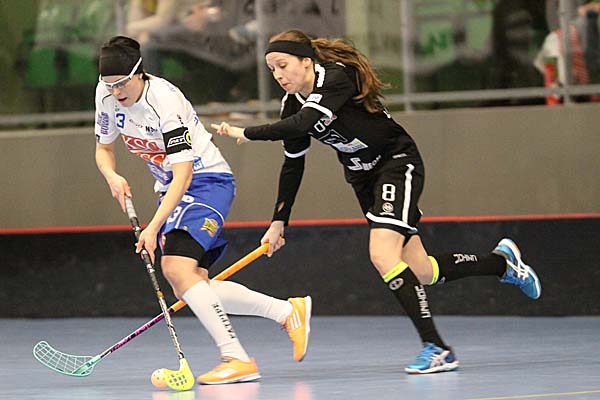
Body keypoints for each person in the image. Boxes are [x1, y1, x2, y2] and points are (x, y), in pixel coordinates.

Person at [213, 29, 542, 374]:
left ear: (306, 61)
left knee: (382, 254)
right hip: (364, 180)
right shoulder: (292, 104)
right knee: (422, 271)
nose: (278, 75)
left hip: (395, 163)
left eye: (283, 65)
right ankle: (502, 264)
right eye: (272, 70)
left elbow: (305, 123)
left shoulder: (336, 77)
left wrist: (246, 132)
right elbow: (293, 164)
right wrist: (279, 220)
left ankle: (437, 348)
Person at [94, 35, 311, 385]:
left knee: (176, 268)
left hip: (206, 181)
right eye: (109, 84)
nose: (116, 92)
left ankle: (237, 358)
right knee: (189, 285)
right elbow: (104, 148)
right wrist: (112, 175)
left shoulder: (165, 102)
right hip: (171, 188)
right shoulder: (105, 95)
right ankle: (287, 311)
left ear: (139, 73)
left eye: (122, 83)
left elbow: (184, 174)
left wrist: (153, 227)